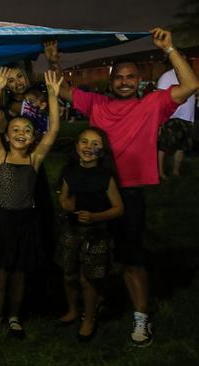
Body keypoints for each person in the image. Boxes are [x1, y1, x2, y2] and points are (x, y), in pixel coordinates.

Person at [56, 28, 199, 347]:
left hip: (130, 193)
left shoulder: (154, 104)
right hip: (94, 192)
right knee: (93, 260)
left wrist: (170, 48)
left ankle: (141, 318)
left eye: (129, 76)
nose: (123, 81)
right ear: (111, 80)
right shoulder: (95, 103)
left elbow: (191, 84)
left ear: (138, 80)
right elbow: (61, 90)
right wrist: (54, 60)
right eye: (118, 76)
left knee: (132, 260)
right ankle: (93, 309)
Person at [0, 68, 62, 339]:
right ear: (8, 135)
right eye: (15, 129)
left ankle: (14, 316)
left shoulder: (34, 160)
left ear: (33, 137)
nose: (20, 133)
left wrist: (52, 95)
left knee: (18, 274)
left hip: (24, 223)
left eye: (26, 130)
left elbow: (53, 130)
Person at [56, 127, 123, 342]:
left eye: (95, 144)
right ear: (77, 147)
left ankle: (89, 317)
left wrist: (96, 217)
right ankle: (72, 309)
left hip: (95, 234)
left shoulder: (106, 177)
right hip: (71, 231)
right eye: (84, 142)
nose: (88, 147)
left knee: (88, 279)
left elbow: (118, 208)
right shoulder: (69, 171)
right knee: (68, 274)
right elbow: (64, 197)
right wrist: (65, 204)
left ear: (102, 150)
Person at [157, 53, 196, 178]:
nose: (183, 60)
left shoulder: (189, 75)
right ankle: (160, 172)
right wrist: (161, 121)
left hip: (188, 117)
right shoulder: (167, 76)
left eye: (184, 58)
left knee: (182, 147)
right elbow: (160, 100)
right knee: (164, 146)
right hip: (172, 118)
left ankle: (176, 172)